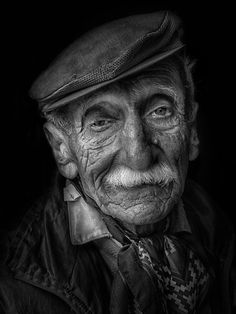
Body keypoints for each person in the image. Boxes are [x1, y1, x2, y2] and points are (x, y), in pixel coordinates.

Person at [0, 10, 234, 314]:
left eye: (160, 111)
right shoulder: (10, 282)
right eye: (101, 122)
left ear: (191, 130)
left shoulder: (218, 225)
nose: (138, 156)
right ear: (62, 149)